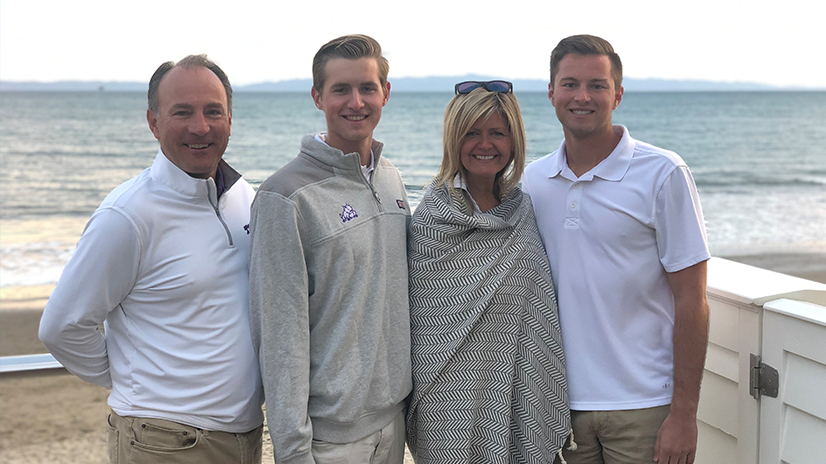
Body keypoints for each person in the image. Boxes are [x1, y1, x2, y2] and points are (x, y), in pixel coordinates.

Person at [38, 55, 264, 463]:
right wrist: (133, 378)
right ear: (153, 121)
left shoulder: (243, 198)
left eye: (213, 111)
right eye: (182, 112)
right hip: (164, 441)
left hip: (243, 436)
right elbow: (62, 326)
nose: (200, 126)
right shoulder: (126, 216)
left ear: (230, 118)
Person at [522, 35, 711, 464]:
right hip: (557, 406)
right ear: (551, 92)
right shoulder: (533, 181)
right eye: (569, 84)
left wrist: (684, 414)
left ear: (618, 94)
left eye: (597, 85)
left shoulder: (663, 173)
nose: (582, 96)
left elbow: (692, 299)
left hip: (644, 405)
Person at [249, 34, 411, 464]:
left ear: (385, 94)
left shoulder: (391, 179)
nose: (355, 101)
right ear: (318, 97)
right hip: (331, 442)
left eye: (367, 88)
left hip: (394, 425)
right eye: (341, 89)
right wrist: (293, 451)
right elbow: (279, 337)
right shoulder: (285, 197)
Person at [406, 80, 571, 464]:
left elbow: (538, 308)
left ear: (513, 140)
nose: (485, 144)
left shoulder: (523, 211)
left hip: (520, 386)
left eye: (497, 133)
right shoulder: (431, 220)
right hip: (446, 402)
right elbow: (423, 325)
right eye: (472, 133)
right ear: (453, 139)